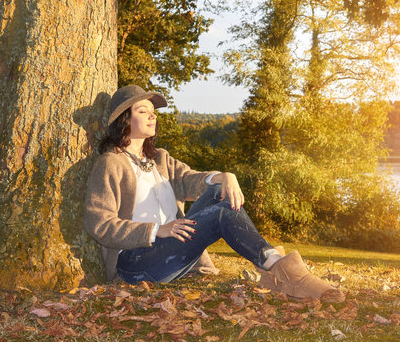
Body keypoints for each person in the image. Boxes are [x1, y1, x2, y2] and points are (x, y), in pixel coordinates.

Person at [84, 85, 344, 301]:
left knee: (221, 191)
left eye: (154, 112)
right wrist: (155, 230)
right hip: (138, 262)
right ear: (125, 119)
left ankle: (277, 268)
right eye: (143, 111)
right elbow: (100, 223)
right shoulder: (111, 163)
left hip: (173, 250)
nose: (153, 116)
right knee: (221, 216)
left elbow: (190, 179)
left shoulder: (159, 159)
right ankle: (285, 273)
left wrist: (224, 176)